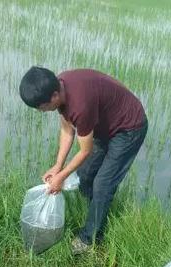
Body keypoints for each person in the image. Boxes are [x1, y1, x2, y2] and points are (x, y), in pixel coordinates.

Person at [19, 67, 147, 254]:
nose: (41, 111)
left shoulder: (80, 105)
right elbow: (67, 130)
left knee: (103, 184)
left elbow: (85, 150)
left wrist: (61, 177)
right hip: (105, 123)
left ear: (54, 96)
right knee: (86, 175)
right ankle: (95, 209)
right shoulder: (60, 87)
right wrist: (57, 166)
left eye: (41, 107)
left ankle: (89, 238)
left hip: (129, 128)